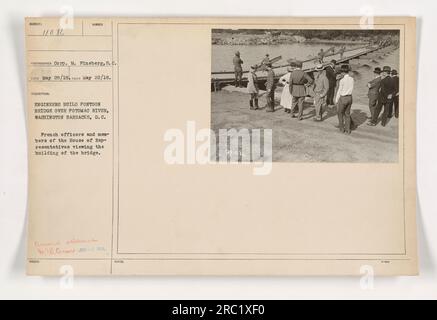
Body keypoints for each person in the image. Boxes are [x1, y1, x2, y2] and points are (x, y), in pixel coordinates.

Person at [335, 64, 354, 134]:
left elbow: (339, 91)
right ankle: (348, 130)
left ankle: (341, 128)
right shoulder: (352, 79)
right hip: (350, 97)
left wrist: (336, 100)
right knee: (347, 114)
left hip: (343, 98)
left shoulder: (342, 80)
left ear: (342, 72)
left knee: (340, 113)